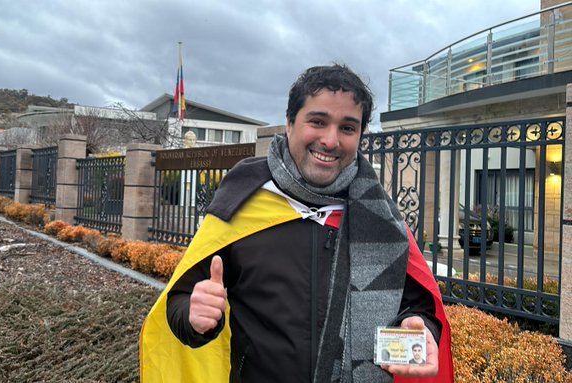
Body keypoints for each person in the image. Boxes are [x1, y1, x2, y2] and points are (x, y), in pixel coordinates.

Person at [140, 64, 453, 382]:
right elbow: (180, 300)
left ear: (360, 135)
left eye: (347, 128)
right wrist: (194, 317)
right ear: (289, 123)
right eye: (317, 122)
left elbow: (418, 305)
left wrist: (420, 324)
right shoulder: (243, 201)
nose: (331, 140)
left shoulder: (379, 215)